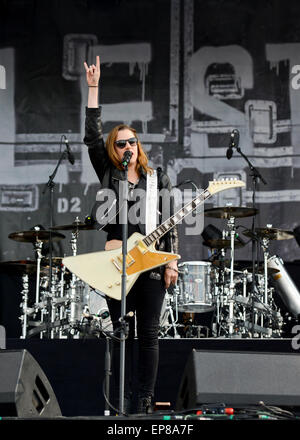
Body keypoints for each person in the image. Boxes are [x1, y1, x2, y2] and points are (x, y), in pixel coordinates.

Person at [83, 56, 179, 414]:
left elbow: (172, 222)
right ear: (114, 150)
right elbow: (91, 135)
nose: (127, 148)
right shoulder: (110, 173)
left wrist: (172, 262)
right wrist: (93, 89)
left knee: (149, 334)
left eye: (132, 143)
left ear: (140, 146)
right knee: (122, 332)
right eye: (121, 144)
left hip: (152, 263)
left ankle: (143, 399)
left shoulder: (159, 179)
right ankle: (121, 398)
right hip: (117, 263)